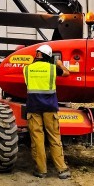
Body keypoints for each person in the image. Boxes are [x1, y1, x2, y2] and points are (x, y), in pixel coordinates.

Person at [24, 44, 71, 179]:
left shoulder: (27, 69)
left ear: (38, 54)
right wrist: (59, 64)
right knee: (54, 138)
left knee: (37, 139)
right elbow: (67, 73)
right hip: (50, 107)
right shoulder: (53, 68)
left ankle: (41, 170)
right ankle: (62, 170)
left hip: (33, 108)